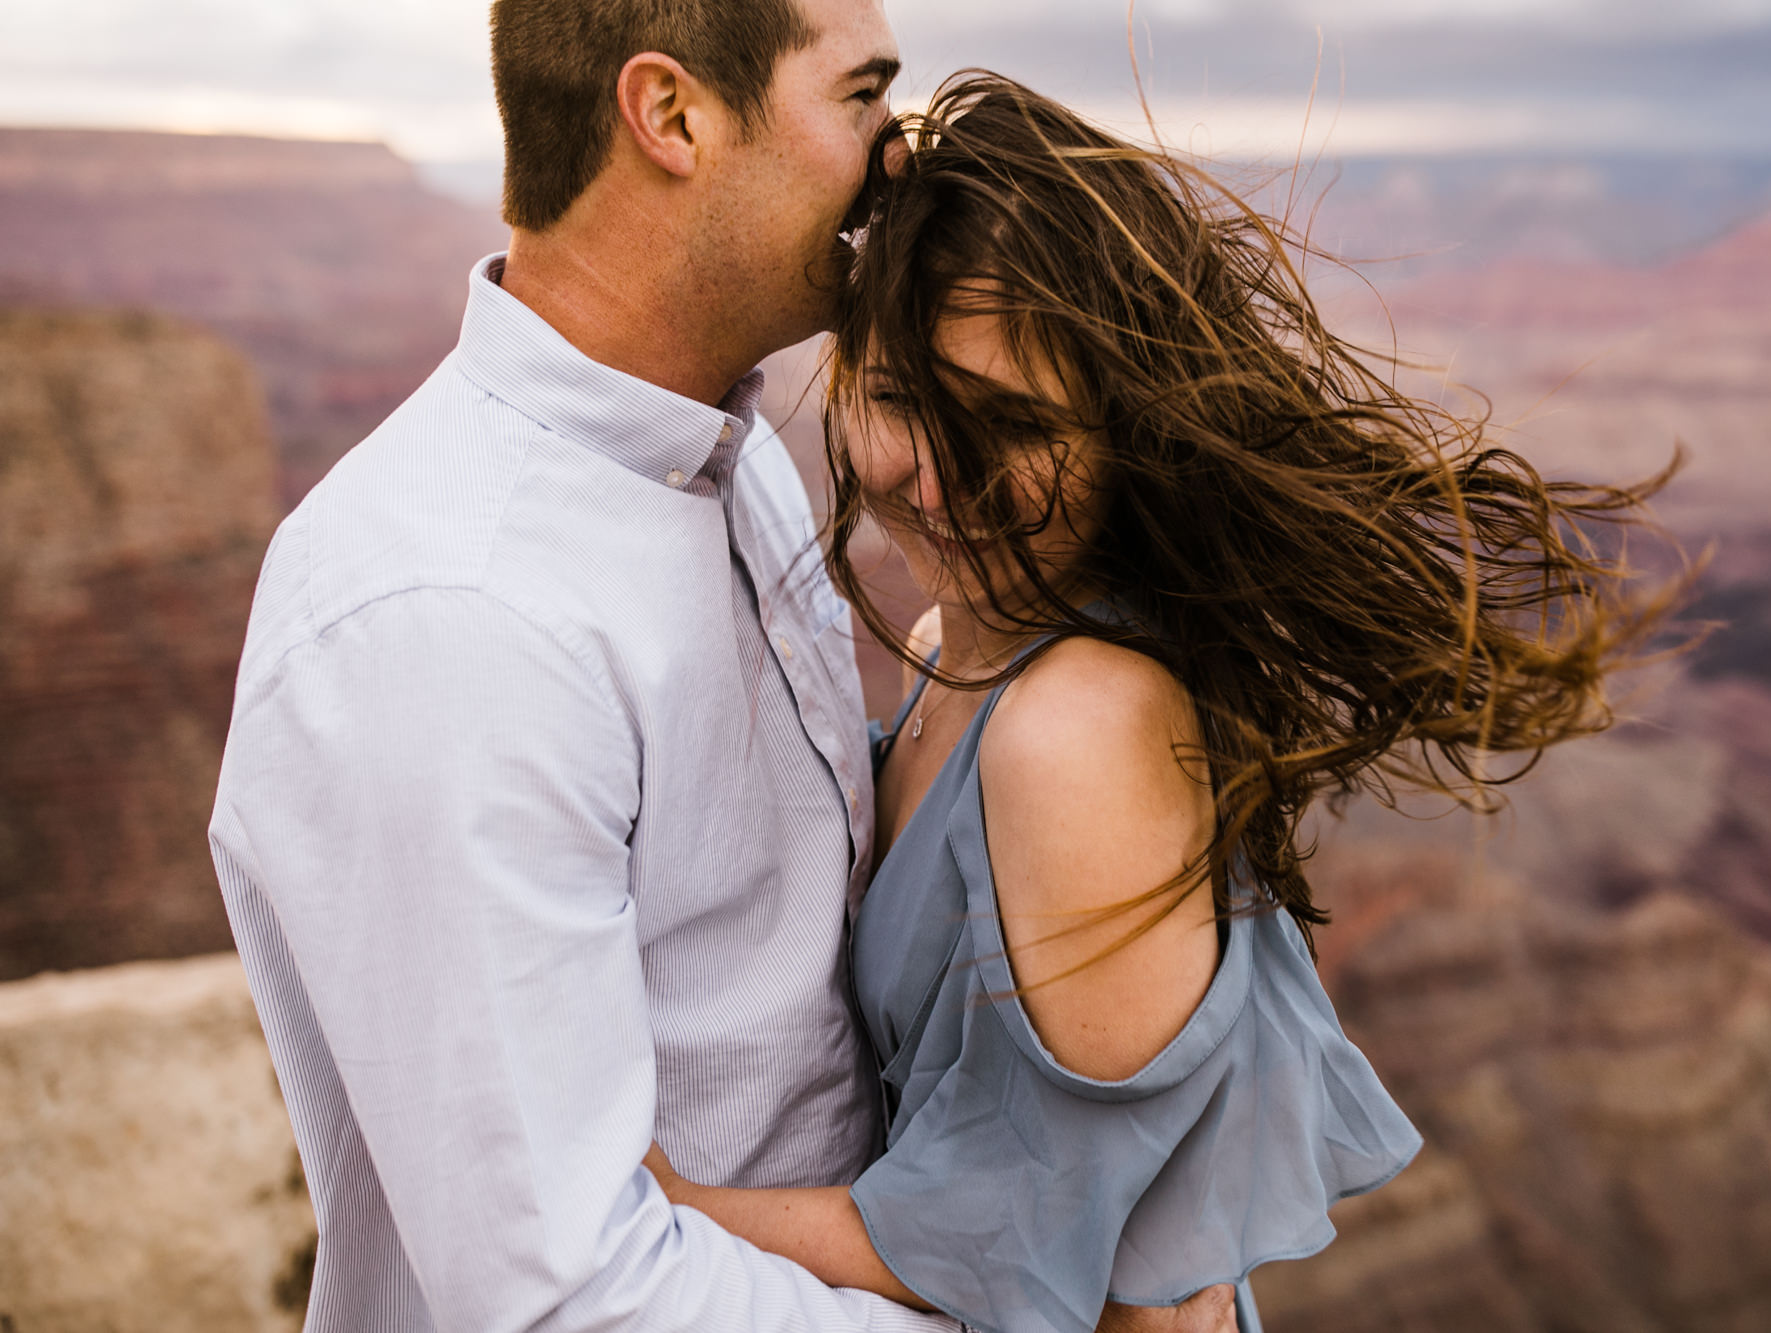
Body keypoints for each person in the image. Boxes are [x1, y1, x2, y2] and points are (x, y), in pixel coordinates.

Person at [208, 1, 1232, 1328]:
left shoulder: (729, 464)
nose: (896, 155)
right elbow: (573, 1301)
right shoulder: (453, 616)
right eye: (860, 95)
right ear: (673, 115)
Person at [640, 74, 1678, 1333]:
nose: (936, 481)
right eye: (904, 402)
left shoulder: (1075, 725)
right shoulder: (944, 643)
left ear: (1122, 433)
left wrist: (650, 1201)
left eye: (1011, 426)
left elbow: (1007, 1245)